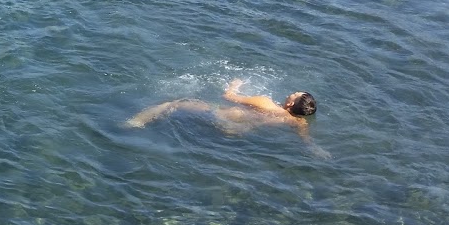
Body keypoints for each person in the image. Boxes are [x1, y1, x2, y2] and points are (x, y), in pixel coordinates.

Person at [127, 78, 323, 156]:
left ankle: (137, 122)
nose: (293, 92)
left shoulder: (265, 102)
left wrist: (234, 86)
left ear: (290, 104)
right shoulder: (298, 121)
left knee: (175, 103)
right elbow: (306, 140)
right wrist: (316, 150)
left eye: (295, 94)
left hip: (221, 116)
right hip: (237, 132)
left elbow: (227, 97)